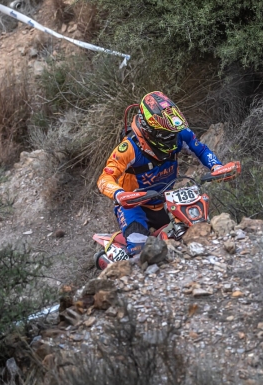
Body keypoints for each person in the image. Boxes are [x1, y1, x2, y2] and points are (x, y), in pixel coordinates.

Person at [96, 91, 226, 264]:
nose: (173, 138)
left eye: (173, 133)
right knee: (140, 254)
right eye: (166, 134)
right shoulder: (129, 148)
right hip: (134, 205)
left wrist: (216, 166)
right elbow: (104, 178)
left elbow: (200, 149)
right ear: (150, 130)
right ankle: (115, 248)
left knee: (194, 230)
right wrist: (119, 194)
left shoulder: (180, 134)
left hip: (165, 199)